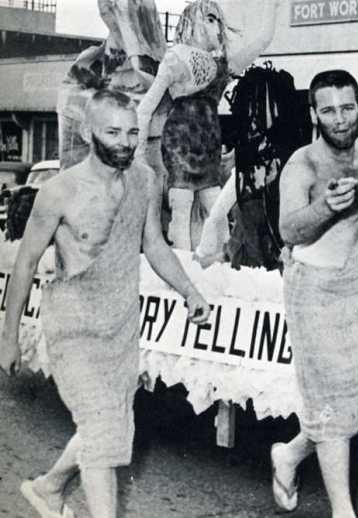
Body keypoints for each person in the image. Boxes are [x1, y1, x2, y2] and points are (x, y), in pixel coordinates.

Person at [0, 90, 210, 518]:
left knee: (108, 427)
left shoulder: (145, 180)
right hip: (73, 325)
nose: (125, 142)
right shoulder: (59, 191)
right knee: (101, 429)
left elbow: (154, 244)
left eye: (132, 132)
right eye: (113, 132)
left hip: (120, 323)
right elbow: (25, 265)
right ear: (87, 132)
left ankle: (49, 488)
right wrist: (9, 338)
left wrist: (189, 291)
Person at [273, 70, 358, 518]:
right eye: (328, 110)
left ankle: (289, 455)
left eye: (347, 108)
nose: (340, 119)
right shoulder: (301, 164)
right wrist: (325, 207)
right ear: (314, 114)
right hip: (314, 295)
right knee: (331, 405)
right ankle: (343, 511)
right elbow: (288, 230)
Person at [136, 0, 281, 250]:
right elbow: (146, 106)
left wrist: (272, 7)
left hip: (208, 145)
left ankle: (215, 260)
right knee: (183, 205)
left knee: (214, 207)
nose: (217, 27)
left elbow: (261, 41)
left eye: (218, 21)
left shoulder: (221, 64)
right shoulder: (175, 57)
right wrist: (138, 152)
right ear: (192, 22)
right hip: (180, 142)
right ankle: (184, 263)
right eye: (210, 19)